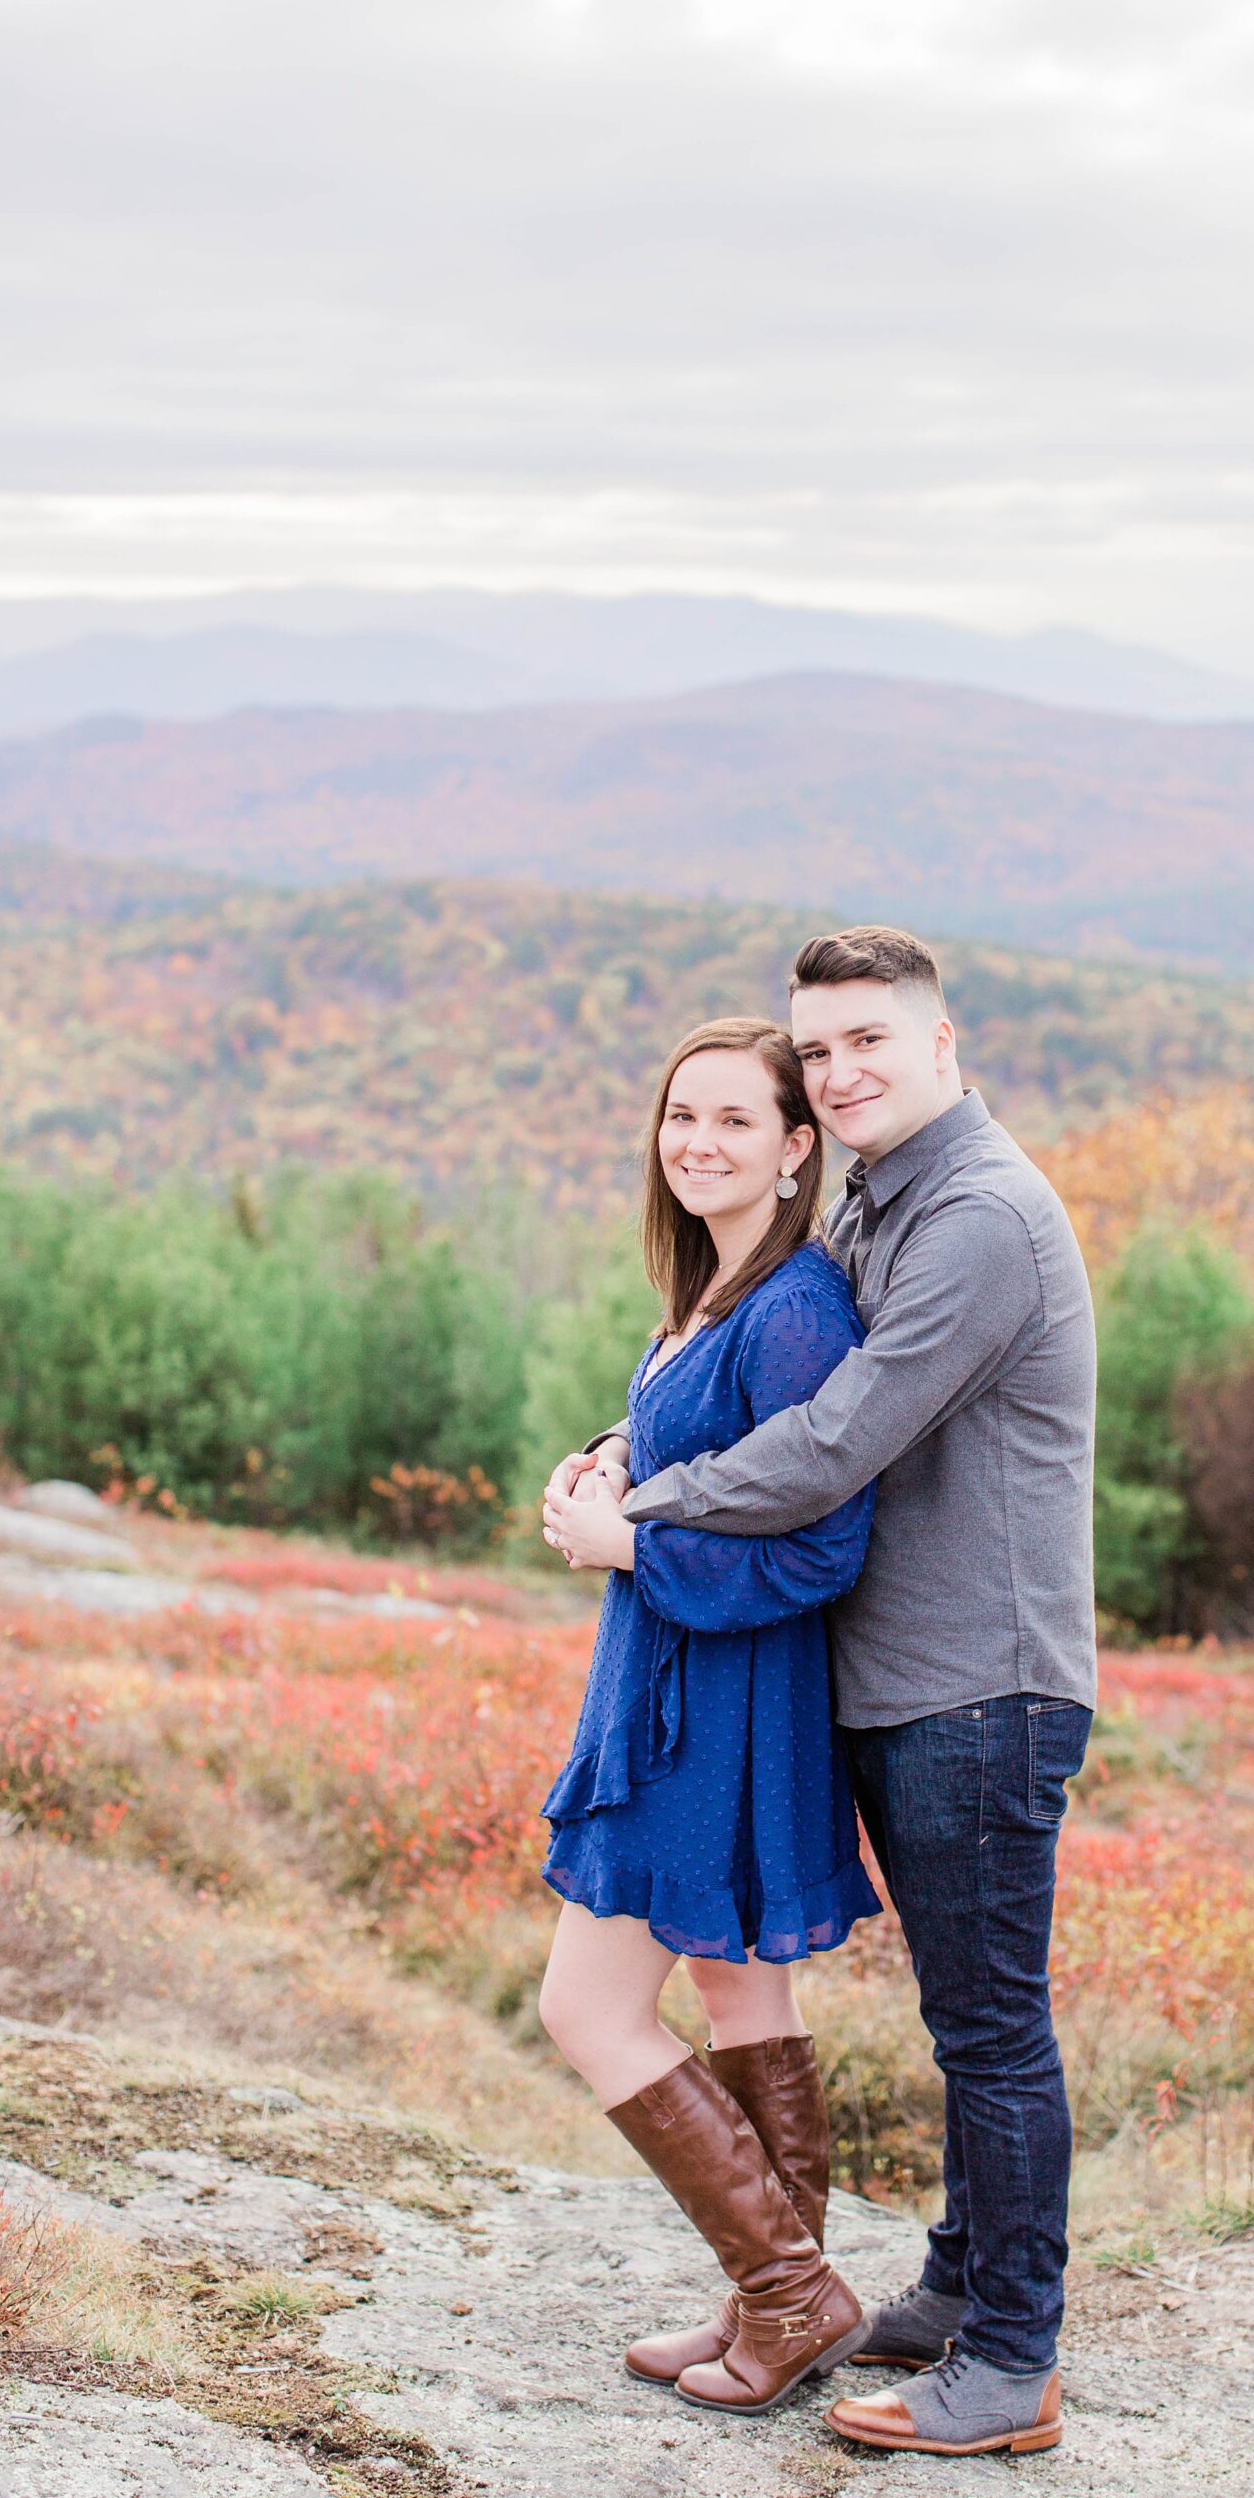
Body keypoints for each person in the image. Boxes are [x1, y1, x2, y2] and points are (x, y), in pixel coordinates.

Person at [546, 926, 1098, 2462]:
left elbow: (832, 1438)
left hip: (976, 1681)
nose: (845, 1069)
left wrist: (636, 1520)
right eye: (825, 1046)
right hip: (881, 1675)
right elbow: (747, 1373)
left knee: (990, 2030)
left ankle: (1011, 2362)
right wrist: (628, 1440)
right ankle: (937, 2289)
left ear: (942, 1042)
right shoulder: (879, 1199)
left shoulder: (978, 1216)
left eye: (871, 1041)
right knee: (942, 2017)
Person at [536, 1013, 882, 2418]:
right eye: (684, 1116)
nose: (700, 1142)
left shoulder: (796, 1308)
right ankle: (770, 2300)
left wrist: (631, 1547)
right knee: (745, 1993)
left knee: (587, 2008)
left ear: (799, 1149)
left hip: (720, 1713)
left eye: (737, 1120)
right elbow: (710, 1451)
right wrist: (616, 1452)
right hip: (687, 1687)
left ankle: (798, 2294)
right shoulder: (714, 1292)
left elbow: (821, 1548)